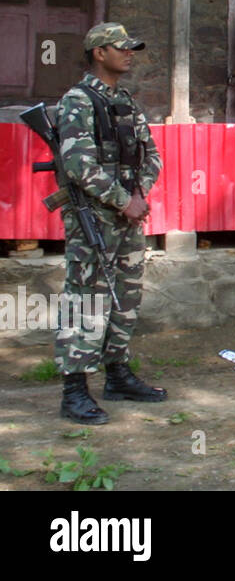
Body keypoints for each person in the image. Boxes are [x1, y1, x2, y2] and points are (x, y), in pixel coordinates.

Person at [54, 23, 165, 424]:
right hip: (93, 218)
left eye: (132, 48)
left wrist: (138, 196)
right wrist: (123, 200)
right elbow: (77, 164)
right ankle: (74, 390)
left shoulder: (125, 102)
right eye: (122, 48)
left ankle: (117, 375)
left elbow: (151, 154)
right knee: (84, 298)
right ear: (99, 53)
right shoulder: (77, 101)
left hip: (127, 216)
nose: (130, 53)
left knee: (126, 295)